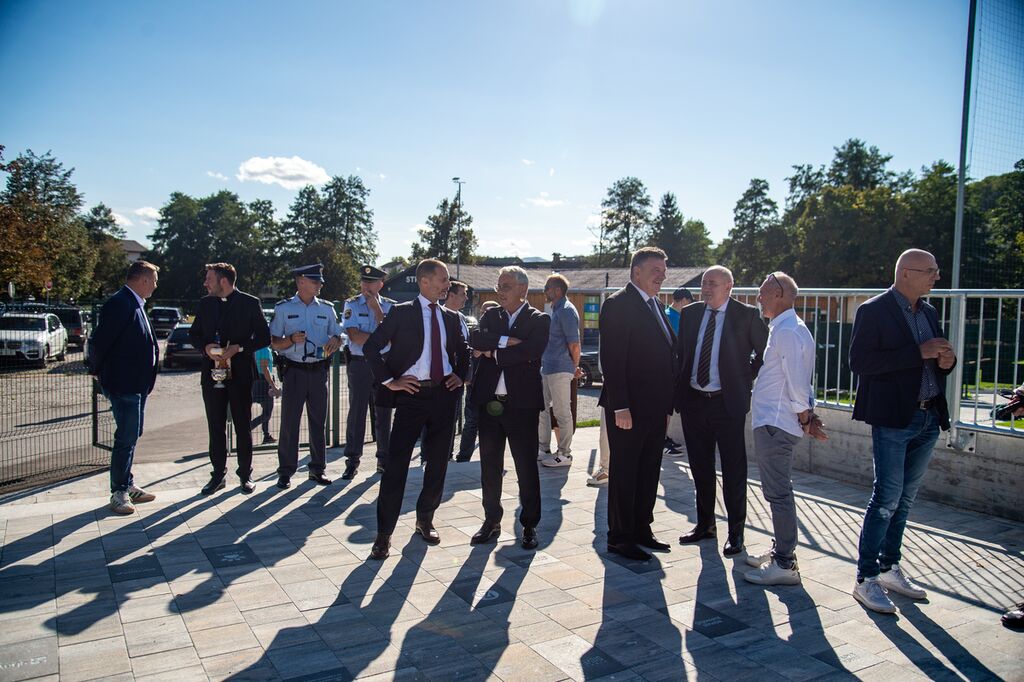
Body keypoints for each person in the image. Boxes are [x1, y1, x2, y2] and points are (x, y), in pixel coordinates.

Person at [850, 249, 957, 614]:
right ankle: (866, 578)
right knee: (886, 500)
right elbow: (860, 362)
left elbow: (934, 361)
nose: (936, 277)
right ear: (907, 273)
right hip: (894, 418)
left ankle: (889, 567)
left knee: (905, 500)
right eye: (931, 271)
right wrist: (919, 352)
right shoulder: (873, 310)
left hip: (929, 417)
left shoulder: (929, 312)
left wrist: (946, 361)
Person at [363, 259, 470, 560]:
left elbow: (464, 351)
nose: (448, 284)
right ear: (425, 281)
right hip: (411, 398)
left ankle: (425, 519)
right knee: (396, 466)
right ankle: (383, 535)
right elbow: (371, 348)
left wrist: (460, 375)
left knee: (437, 463)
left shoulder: (452, 317)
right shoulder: (401, 313)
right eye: (443, 279)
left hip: (444, 398)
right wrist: (391, 381)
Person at [676, 265, 768, 556]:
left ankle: (735, 533)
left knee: (733, 470)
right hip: (694, 401)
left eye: (712, 284)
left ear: (728, 287)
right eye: (704, 283)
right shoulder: (690, 314)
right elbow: (682, 354)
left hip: (727, 404)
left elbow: (765, 352)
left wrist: (744, 377)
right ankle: (705, 525)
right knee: (700, 467)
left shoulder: (746, 315)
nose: (705, 289)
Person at [744, 272, 827, 586]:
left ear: (778, 294)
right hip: (775, 422)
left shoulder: (788, 331)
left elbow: (796, 382)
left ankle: (784, 563)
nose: (758, 299)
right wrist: (806, 416)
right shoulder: (786, 328)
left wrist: (805, 418)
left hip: (776, 423)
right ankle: (781, 549)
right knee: (778, 491)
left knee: (778, 493)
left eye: (762, 293)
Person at [599, 247, 677, 561]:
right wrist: (620, 406)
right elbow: (613, 359)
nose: (662, 276)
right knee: (625, 473)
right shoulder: (618, 304)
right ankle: (620, 537)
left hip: (655, 408)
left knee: (648, 471)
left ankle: (642, 529)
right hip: (628, 409)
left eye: (664, 271)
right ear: (637, 272)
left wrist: (668, 406)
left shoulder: (655, 304)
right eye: (656, 270)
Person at [468, 266, 550, 549]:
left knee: (526, 467)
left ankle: (529, 525)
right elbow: (475, 339)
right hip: (489, 404)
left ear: (522, 289)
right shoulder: (491, 315)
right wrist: (504, 342)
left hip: (522, 407)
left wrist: (492, 352)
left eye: (505, 286)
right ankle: (491, 520)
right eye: (498, 286)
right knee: (490, 466)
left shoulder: (539, 320)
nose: (499, 291)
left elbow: (531, 351)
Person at [190, 263, 271, 495]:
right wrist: (205, 348)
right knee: (215, 425)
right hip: (211, 374)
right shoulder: (205, 304)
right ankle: (218, 475)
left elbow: (264, 337)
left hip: (240, 375)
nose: (205, 283)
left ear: (223, 281)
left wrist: (239, 347)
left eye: (209, 279)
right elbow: (194, 334)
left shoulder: (249, 303)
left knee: (242, 425)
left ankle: (245, 475)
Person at [88, 260, 161, 514]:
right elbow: (99, 342)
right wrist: (97, 371)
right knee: (126, 436)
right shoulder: (120, 303)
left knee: (132, 435)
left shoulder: (135, 303)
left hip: (137, 384)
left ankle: (127, 484)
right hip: (124, 383)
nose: (155, 285)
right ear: (142, 279)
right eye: (154, 280)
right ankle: (119, 491)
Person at [269, 264, 345, 490]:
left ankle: (317, 469)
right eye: (315, 281)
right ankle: (285, 472)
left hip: (319, 371)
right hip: (294, 371)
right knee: (290, 424)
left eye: (320, 281)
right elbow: (274, 342)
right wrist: (290, 340)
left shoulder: (327, 309)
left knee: (318, 423)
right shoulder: (283, 308)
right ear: (301, 281)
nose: (319, 285)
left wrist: (336, 340)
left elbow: (338, 334)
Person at [341, 265, 394, 480]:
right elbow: (354, 336)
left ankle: (384, 459)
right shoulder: (352, 304)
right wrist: (381, 338)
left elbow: (393, 336)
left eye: (371, 282)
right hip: (360, 364)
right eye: (364, 281)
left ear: (381, 284)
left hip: (382, 364)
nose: (366, 286)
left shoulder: (390, 307)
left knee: (383, 412)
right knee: (357, 413)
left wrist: (377, 311)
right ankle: (352, 461)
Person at [537, 274, 581, 469]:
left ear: (557, 290)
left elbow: (575, 344)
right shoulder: (556, 309)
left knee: (562, 412)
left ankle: (564, 454)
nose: (544, 291)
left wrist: (573, 368)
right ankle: (543, 449)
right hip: (547, 368)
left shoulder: (566, 311)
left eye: (547, 288)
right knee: (542, 409)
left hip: (561, 369)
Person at [456, 299, 499, 462]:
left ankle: (492, 458)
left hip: (495, 387)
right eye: (483, 312)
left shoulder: (500, 334)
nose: (485, 315)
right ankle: (463, 457)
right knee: (471, 422)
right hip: (475, 384)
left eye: (489, 312)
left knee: (493, 423)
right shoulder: (475, 333)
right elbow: (469, 355)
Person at [663, 287, 693, 456]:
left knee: (669, 407)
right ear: (683, 301)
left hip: (672, 368)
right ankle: (662, 441)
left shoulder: (668, 314)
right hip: (670, 369)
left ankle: (664, 437)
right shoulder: (672, 317)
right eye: (688, 303)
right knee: (666, 407)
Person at [249, 345, 280, 445]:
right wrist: (273, 386)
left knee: (266, 410)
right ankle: (248, 428)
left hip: (255, 381)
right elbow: (265, 368)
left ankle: (266, 435)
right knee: (267, 413)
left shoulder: (255, 349)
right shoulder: (265, 350)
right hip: (264, 382)